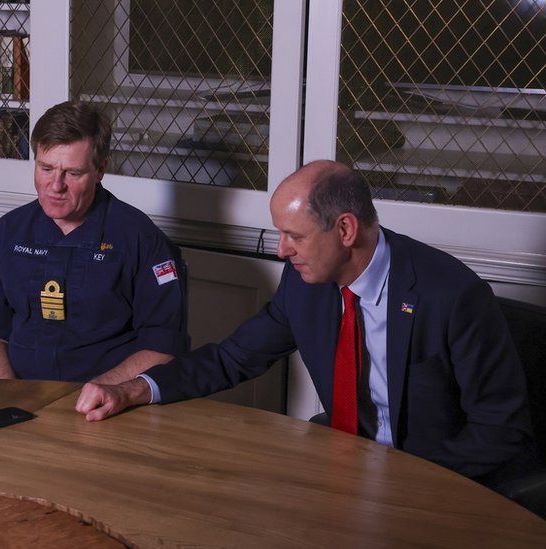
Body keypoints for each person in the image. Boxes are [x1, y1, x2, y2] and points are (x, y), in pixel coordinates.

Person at [76, 160, 539, 488]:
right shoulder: (304, 283)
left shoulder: (452, 295)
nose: (280, 250)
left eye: (294, 236)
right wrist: (134, 389)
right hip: (343, 465)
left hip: (427, 477)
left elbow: (501, 430)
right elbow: (231, 359)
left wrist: (402, 481)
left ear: (345, 230)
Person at [0, 101, 189, 383]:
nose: (56, 185)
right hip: (17, 398)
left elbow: (162, 348)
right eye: (46, 168)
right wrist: (9, 398)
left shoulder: (142, 240)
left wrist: (96, 393)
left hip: (107, 404)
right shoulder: (6, 234)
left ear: (100, 170)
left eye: (73, 173)